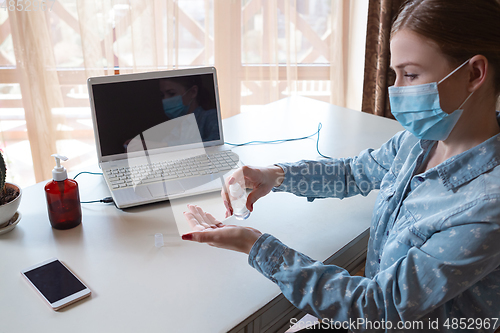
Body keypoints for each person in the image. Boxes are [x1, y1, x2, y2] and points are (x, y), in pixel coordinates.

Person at [182, 0, 500, 331]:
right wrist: (274, 175)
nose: (396, 89)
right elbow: (353, 172)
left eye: (411, 74)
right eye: (394, 75)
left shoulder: (487, 207)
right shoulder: (419, 142)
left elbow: (377, 306)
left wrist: (255, 245)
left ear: (474, 73)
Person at [159, 76, 219, 142]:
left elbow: (216, 143)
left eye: (171, 93)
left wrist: (165, 146)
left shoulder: (210, 117)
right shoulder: (178, 126)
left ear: (193, 92)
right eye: (162, 95)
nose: (165, 100)